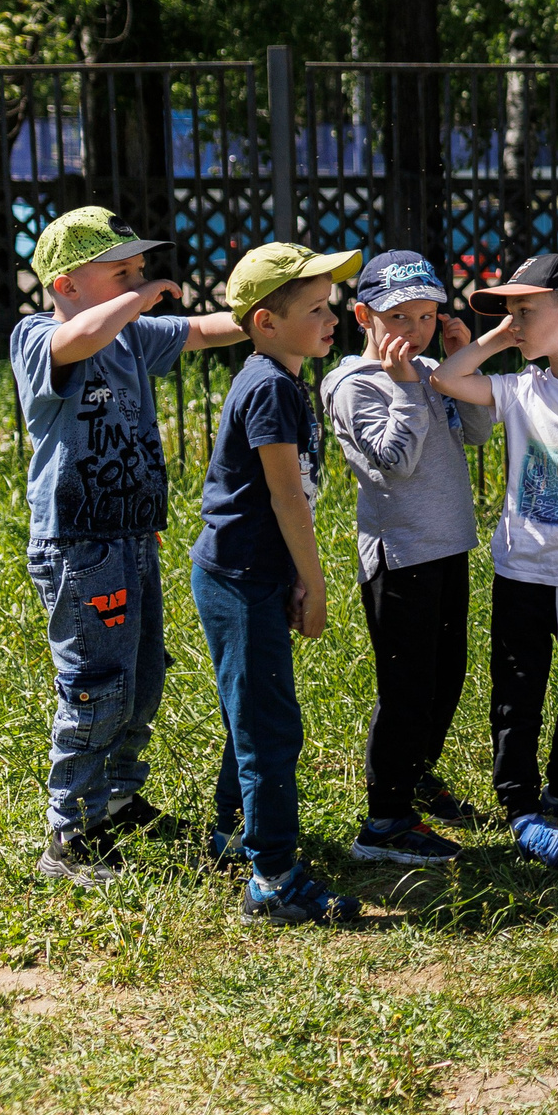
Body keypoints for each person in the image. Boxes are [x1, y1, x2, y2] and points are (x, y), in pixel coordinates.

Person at [15, 208, 246, 885]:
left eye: (141, 270)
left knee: (142, 677)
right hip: (78, 547)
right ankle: (69, 830)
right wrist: (135, 302)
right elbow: (78, 337)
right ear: (65, 283)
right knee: (96, 685)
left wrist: (269, 310)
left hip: (132, 541)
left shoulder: (132, 338)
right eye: (120, 271)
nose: (141, 282)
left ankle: (114, 797)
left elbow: (203, 329)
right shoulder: (38, 336)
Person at [430, 252, 558, 870]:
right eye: (510, 313)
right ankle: (521, 808)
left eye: (527, 310)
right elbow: (446, 377)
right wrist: (499, 336)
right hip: (522, 572)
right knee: (516, 692)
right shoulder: (521, 389)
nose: (515, 322)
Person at [193, 241, 364, 925]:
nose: (333, 320)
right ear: (265, 321)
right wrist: (315, 584)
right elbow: (287, 497)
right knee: (269, 727)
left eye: (331, 306)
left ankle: (233, 832)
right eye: (317, 309)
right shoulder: (268, 387)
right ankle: (271, 877)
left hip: (252, 574)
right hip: (240, 580)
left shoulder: (280, 378)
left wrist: (292, 572)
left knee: (252, 714)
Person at [321, 250, 494, 868]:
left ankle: (417, 776)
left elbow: (475, 432)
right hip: (401, 558)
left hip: (448, 546)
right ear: (364, 315)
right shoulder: (353, 385)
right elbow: (393, 463)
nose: (416, 330)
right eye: (401, 317)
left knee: (445, 677)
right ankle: (385, 818)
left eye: (426, 316)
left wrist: (453, 363)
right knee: (406, 685)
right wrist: (405, 391)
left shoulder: (426, 369)